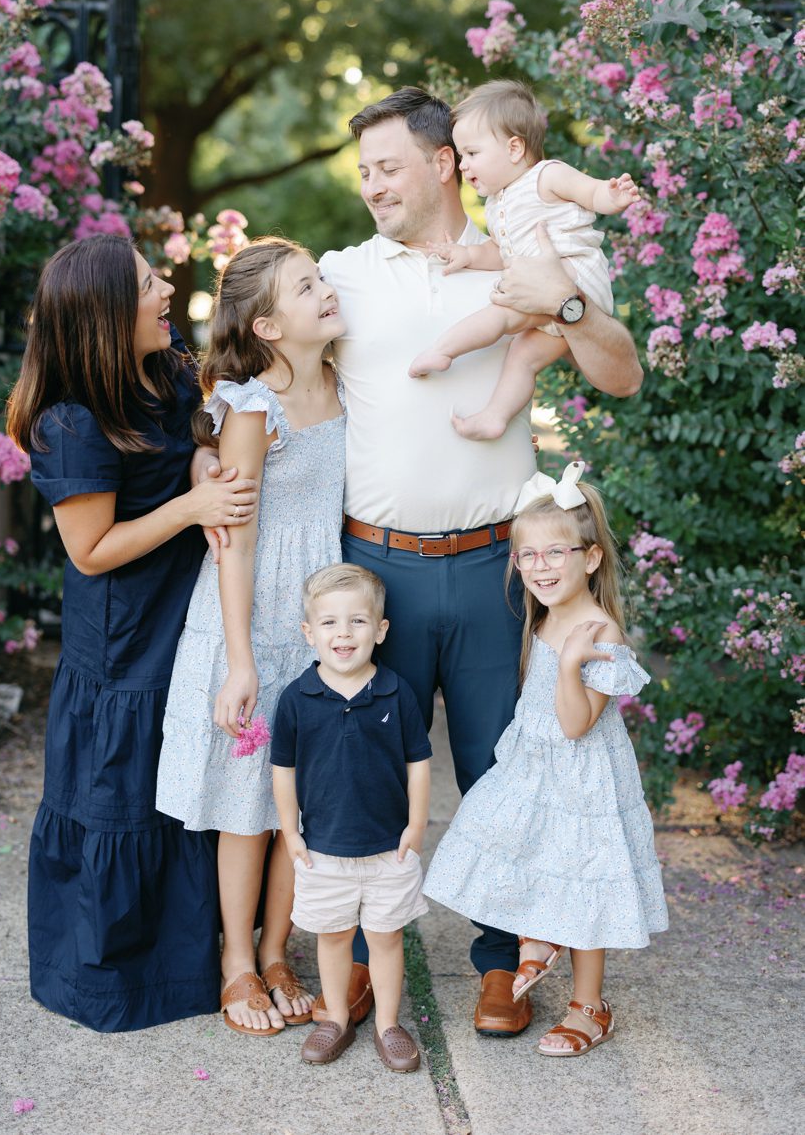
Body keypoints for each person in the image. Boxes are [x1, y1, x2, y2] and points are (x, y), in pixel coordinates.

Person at [316, 86, 643, 1037]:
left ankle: (505, 961)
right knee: (367, 768)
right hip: (377, 569)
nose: (373, 185)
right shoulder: (342, 276)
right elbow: (272, 367)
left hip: (499, 571)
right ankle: (365, 958)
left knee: (513, 764)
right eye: (364, 171)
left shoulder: (524, 251)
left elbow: (621, 372)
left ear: (445, 164)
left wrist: (565, 301)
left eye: (389, 167)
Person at [5, 233, 257, 1032]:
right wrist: (192, 507)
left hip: (188, 614)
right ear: (107, 314)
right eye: (149, 285)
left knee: (184, 788)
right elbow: (91, 550)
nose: (166, 292)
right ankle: (113, 980)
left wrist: (203, 466)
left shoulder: (166, 372)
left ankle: (193, 964)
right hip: (122, 638)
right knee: (122, 795)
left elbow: (200, 441)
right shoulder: (72, 421)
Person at [156, 238, 348, 1037]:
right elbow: (232, 543)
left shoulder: (343, 382)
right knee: (245, 806)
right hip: (251, 623)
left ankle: (277, 951)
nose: (325, 290)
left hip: (320, 622)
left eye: (321, 278)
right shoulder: (252, 409)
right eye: (306, 287)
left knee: (296, 803)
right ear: (268, 326)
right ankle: (237, 959)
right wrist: (240, 663)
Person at [423, 461, 668, 1055]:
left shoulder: (599, 632)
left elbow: (577, 724)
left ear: (591, 558)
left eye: (556, 553)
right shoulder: (546, 613)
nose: (540, 567)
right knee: (514, 842)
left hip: (583, 777)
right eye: (528, 556)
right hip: (535, 766)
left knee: (582, 880)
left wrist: (568, 664)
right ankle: (536, 933)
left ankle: (589, 1007)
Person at [408, 79, 640, 440]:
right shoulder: (496, 204)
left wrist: (611, 196)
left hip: (574, 277)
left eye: (472, 153)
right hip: (546, 296)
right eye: (461, 156)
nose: (464, 166)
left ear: (514, 148)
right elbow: (501, 253)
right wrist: (467, 254)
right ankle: (495, 416)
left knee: (501, 313)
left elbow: (591, 191)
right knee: (522, 356)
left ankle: (442, 350)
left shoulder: (546, 176)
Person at [272, 564, 431, 1071]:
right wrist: (290, 831)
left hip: (389, 848)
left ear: (380, 630)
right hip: (324, 848)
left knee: (385, 939)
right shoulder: (296, 699)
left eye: (358, 621)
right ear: (309, 632)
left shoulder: (397, 693)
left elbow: (418, 763)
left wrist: (417, 824)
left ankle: (388, 1024)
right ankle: (337, 1019)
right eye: (330, 623)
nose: (343, 633)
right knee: (334, 936)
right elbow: (283, 770)